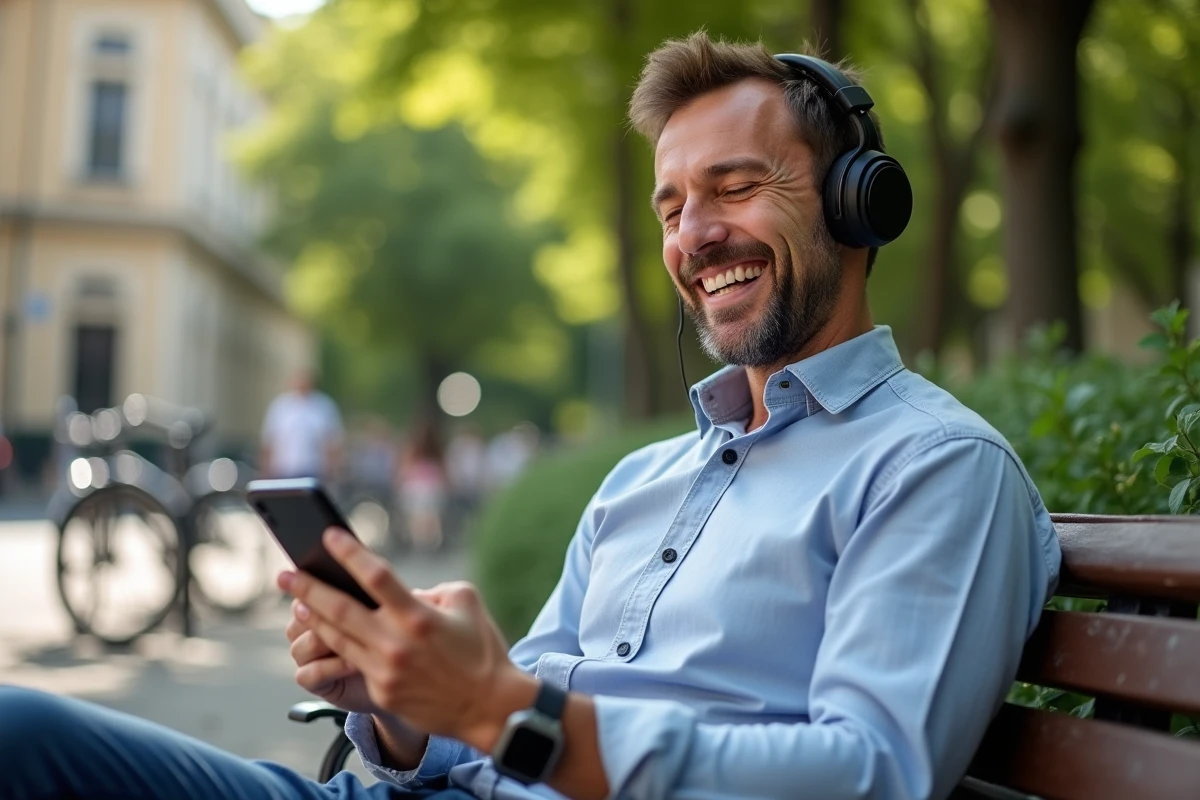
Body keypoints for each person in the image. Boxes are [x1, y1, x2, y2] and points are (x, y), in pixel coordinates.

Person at [0, 33, 1060, 800]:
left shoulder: (937, 468)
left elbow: (871, 776)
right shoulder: (641, 482)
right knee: (22, 730)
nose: (694, 235)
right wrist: (408, 705)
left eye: (735, 187)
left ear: (854, 202)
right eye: (672, 206)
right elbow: (514, 716)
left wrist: (504, 709)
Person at [260, 369, 345, 483]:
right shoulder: (280, 406)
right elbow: (269, 441)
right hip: (283, 470)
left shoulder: (324, 406)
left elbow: (333, 441)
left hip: (314, 470)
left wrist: (333, 470)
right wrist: (265, 471)